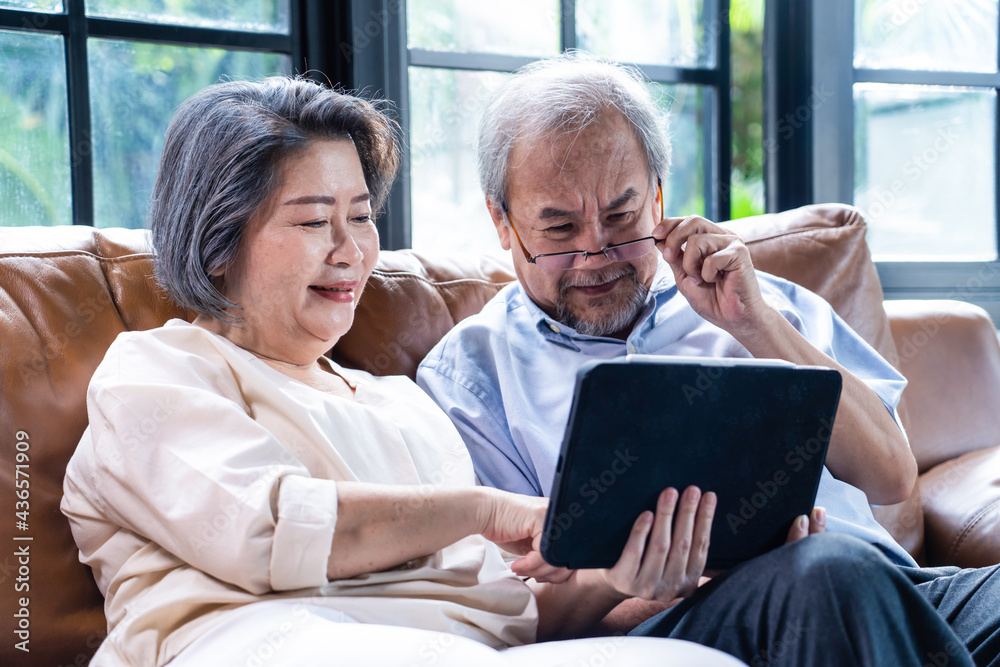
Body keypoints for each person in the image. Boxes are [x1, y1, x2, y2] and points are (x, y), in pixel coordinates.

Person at [60, 75, 752, 667]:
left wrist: (623, 577)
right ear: (217, 243)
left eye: (361, 216)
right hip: (260, 645)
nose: (351, 249)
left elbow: (512, 611)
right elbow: (270, 528)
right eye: (312, 221)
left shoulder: (403, 404)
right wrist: (484, 508)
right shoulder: (157, 374)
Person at [416, 52, 1000, 665]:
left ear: (659, 197)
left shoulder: (758, 298)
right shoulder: (470, 378)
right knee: (826, 573)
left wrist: (758, 326)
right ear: (501, 221)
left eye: (621, 216)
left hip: (897, 590)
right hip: (682, 622)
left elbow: (892, 475)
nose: (596, 253)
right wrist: (668, 574)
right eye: (559, 229)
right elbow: (509, 617)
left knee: (848, 574)